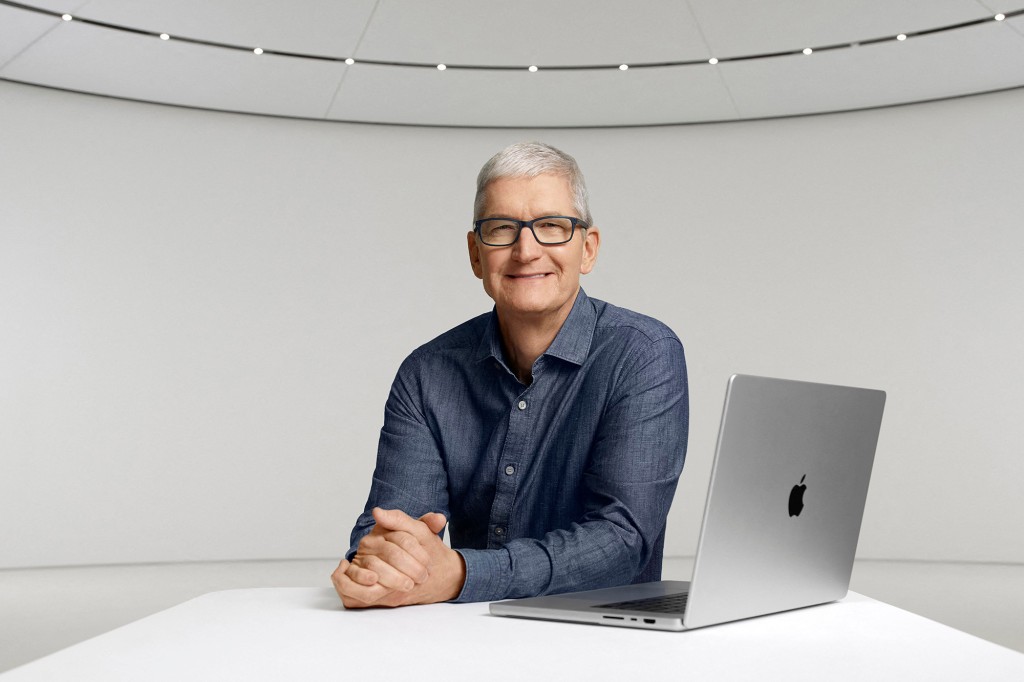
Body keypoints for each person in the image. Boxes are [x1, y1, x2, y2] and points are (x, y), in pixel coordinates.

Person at [331, 142, 688, 608]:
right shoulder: (428, 373)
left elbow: (622, 543)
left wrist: (462, 574)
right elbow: (393, 529)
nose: (526, 251)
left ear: (588, 249)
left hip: (606, 643)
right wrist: (379, 565)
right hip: (468, 638)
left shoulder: (642, 354)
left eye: (552, 227)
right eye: (501, 229)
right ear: (476, 254)